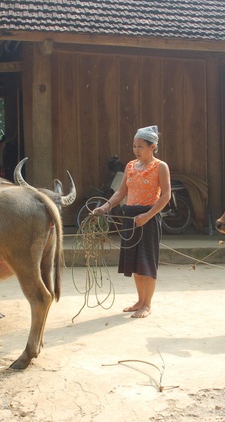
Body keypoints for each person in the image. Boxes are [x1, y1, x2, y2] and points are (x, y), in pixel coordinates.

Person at [94, 125, 171, 318]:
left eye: (141, 146)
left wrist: (147, 216)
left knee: (147, 262)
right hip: (130, 217)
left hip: (149, 218)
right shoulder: (130, 166)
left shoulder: (160, 166)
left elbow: (166, 196)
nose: (136, 150)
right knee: (136, 262)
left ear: (152, 146)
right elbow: (121, 193)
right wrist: (105, 207)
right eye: (134, 146)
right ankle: (139, 300)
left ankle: (147, 304)